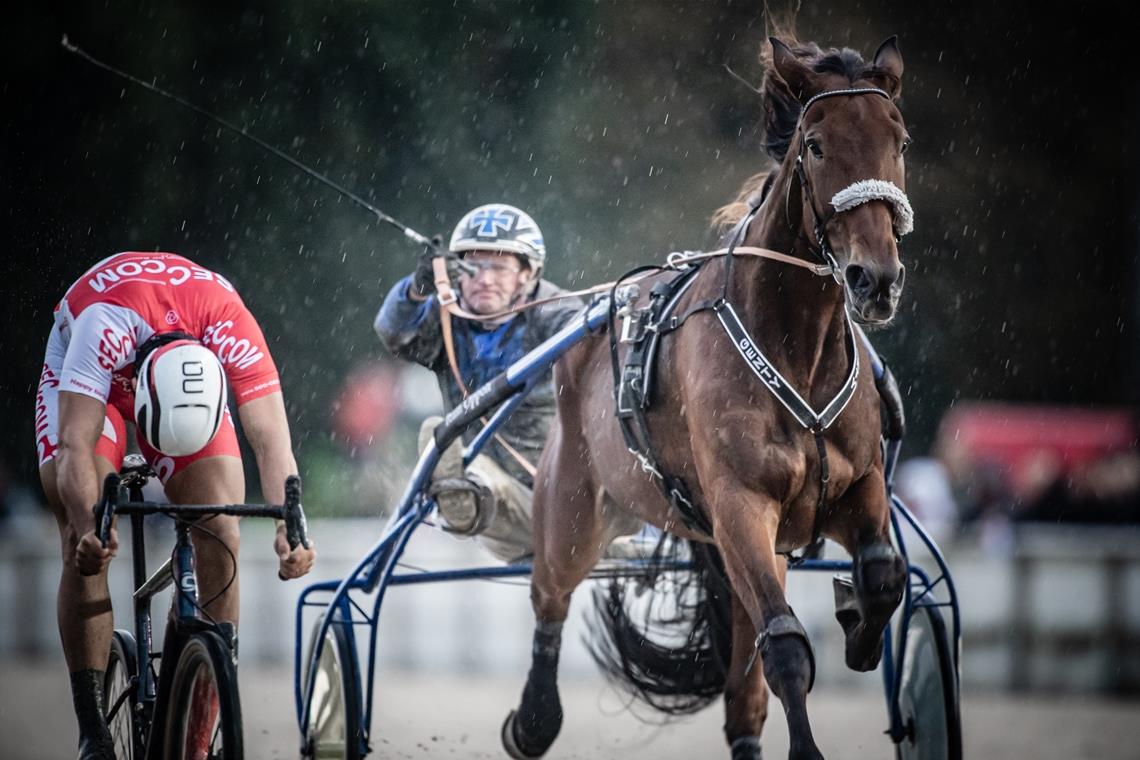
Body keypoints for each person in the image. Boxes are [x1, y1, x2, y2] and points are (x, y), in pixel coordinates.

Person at [35, 251, 317, 759]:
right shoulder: (103, 324)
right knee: (83, 530)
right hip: (89, 382)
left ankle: (199, 725)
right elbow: (76, 444)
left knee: (222, 525)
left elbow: (273, 439)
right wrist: (88, 525)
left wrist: (288, 530)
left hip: (182, 382)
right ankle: (93, 730)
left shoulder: (230, 320)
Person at [375, 203, 636, 562]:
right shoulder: (445, 318)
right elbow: (393, 332)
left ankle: (598, 540)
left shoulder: (554, 311)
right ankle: (463, 497)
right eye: (471, 267)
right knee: (441, 439)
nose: (483, 279)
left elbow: (596, 348)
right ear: (455, 275)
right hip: (494, 506)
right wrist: (415, 290)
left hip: (569, 493)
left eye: (498, 267)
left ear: (527, 275)